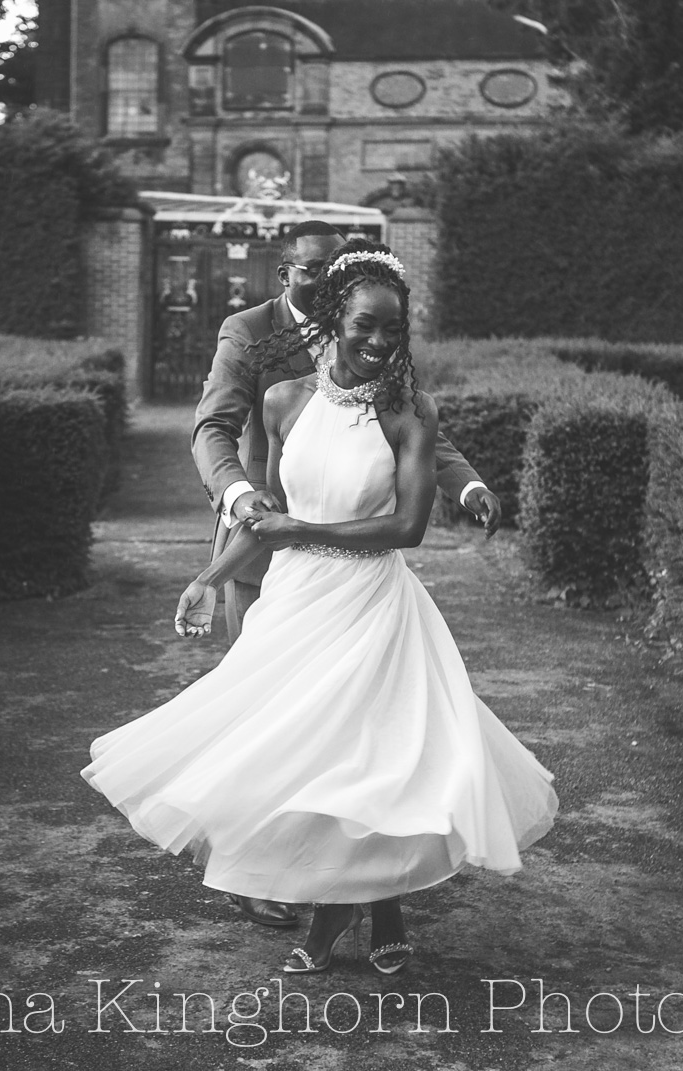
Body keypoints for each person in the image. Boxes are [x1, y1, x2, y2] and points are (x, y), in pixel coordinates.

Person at [81, 239, 557, 976]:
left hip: (370, 603)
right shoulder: (282, 401)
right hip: (294, 601)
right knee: (298, 754)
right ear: (333, 319)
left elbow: (406, 528)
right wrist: (209, 575)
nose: (379, 341)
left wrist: (301, 530)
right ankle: (375, 906)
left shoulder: (410, 412)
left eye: (393, 329)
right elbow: (268, 513)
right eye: (365, 324)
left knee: (367, 761)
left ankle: (340, 914)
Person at [190, 219, 503, 930]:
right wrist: (229, 526)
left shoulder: (397, 384)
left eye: (333, 265)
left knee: (353, 743)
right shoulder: (254, 342)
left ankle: (351, 888)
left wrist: (467, 483)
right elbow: (216, 430)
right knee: (269, 728)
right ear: (290, 276)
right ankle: (259, 871)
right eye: (311, 268)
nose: (324, 275)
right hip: (276, 574)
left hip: (360, 587)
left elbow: (410, 443)